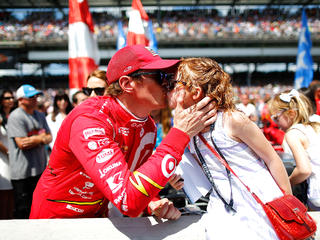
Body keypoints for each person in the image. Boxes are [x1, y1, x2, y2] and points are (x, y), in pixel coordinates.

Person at [29, 45, 216, 219]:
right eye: (160, 76)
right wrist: (180, 134)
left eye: (170, 75)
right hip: (54, 221)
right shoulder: (89, 119)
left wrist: (152, 202)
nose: (169, 83)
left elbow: (134, 179)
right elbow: (129, 201)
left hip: (95, 218)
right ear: (127, 83)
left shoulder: (147, 126)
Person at [168, 57, 291, 239]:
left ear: (195, 92)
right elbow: (205, 168)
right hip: (222, 207)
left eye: (174, 84)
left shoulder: (232, 119)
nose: (169, 88)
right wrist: (179, 177)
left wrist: (288, 205)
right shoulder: (189, 128)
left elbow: (272, 158)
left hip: (258, 205)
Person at [269, 89, 320, 211]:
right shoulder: (317, 121)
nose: (276, 123)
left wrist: (287, 184)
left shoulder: (293, 134)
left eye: (276, 118)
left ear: (291, 114)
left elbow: (304, 170)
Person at [7, 84, 52, 219]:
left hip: (39, 169)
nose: (35, 99)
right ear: (20, 99)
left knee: (38, 207)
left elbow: (50, 137)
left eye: (36, 96)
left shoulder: (39, 114)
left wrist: (35, 139)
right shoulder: (16, 116)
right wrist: (41, 138)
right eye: (31, 97)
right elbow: (22, 143)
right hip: (22, 173)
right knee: (23, 209)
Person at [0, 89, 16, 219]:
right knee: (4, 190)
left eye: (11, 98)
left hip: (16, 158)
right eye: (7, 98)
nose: (10, 100)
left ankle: (10, 219)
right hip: (3, 158)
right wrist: (8, 151)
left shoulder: (16, 115)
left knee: (13, 192)